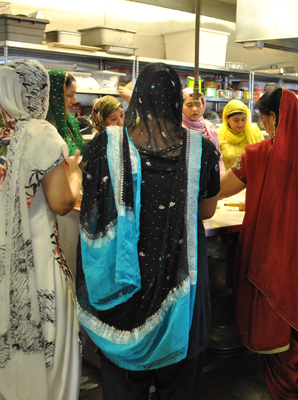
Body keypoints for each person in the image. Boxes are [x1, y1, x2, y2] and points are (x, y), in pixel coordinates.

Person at [76, 62, 220, 400]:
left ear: (136, 98)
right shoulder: (203, 150)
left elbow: (90, 209)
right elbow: (208, 210)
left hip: (124, 285)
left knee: (125, 385)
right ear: (175, 100)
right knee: (179, 383)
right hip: (181, 284)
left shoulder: (103, 148)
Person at [0, 59, 82, 400]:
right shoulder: (38, 133)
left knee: (5, 347)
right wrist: (75, 173)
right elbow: (63, 202)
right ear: (36, 94)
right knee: (43, 348)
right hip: (34, 264)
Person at [219, 88, 298, 400]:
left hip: (277, 264)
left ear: (275, 117)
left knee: (282, 336)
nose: (263, 127)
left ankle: (288, 395)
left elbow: (221, 191)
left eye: (264, 119)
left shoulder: (259, 155)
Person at [182, 87, 225, 176]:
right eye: (189, 105)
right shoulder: (178, 129)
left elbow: (218, 158)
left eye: (198, 105)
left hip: (210, 180)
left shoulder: (210, 128)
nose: (194, 109)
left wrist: (221, 179)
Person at [47, 69, 85, 155]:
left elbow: (82, 150)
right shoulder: (42, 128)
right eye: (69, 95)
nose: (75, 101)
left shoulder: (71, 121)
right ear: (54, 96)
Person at [217, 99, 263, 170]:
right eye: (236, 120)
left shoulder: (254, 131)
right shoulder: (219, 134)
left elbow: (264, 154)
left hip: (252, 178)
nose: (240, 124)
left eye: (243, 119)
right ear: (227, 118)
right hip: (228, 179)